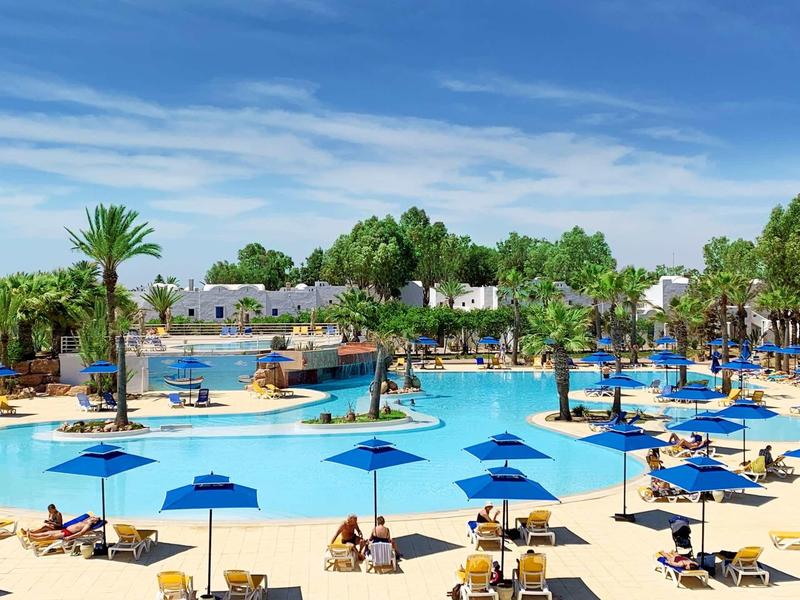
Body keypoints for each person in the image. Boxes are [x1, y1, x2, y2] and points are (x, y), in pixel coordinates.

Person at [24, 516, 100, 541]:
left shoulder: (88, 525)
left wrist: (69, 537)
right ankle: (32, 534)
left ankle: (35, 539)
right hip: (65, 530)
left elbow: (81, 533)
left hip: (68, 533)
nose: (93, 517)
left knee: (50, 536)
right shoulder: (85, 521)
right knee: (47, 532)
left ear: (95, 521)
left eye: (95, 518)